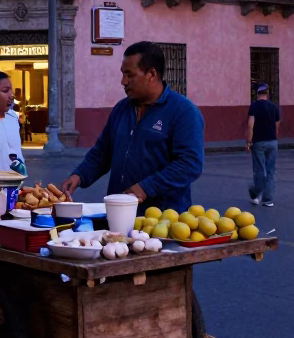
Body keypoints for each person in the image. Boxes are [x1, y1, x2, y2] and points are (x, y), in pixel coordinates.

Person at [60, 42, 204, 214]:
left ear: (151, 74)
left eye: (130, 75)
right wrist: (80, 175)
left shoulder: (183, 112)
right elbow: (102, 152)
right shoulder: (121, 109)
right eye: (122, 74)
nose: (123, 81)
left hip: (164, 220)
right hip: (118, 215)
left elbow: (189, 164)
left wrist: (146, 188)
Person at [246, 83, 281, 206]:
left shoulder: (254, 107)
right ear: (268, 94)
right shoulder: (274, 107)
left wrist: (248, 141)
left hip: (259, 141)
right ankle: (268, 200)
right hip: (272, 141)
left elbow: (250, 125)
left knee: (259, 170)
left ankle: (256, 193)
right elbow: (277, 126)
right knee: (270, 170)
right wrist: (274, 138)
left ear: (257, 94)